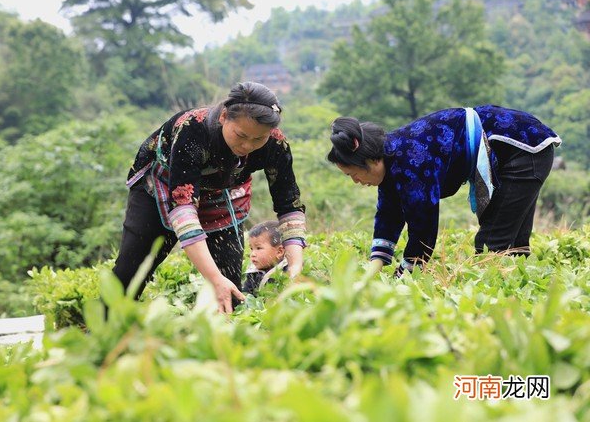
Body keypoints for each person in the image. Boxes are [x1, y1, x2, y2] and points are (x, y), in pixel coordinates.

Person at [113, 82, 307, 313]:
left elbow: (288, 203)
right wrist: (214, 279)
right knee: (132, 270)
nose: (248, 146)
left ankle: (223, 340)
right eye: (241, 135)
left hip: (222, 191)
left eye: (258, 140)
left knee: (230, 287)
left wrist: (295, 267)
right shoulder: (193, 130)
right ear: (224, 116)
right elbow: (183, 206)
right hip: (163, 186)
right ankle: (106, 330)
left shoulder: (275, 142)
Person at [327, 105, 561, 275]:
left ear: (371, 160)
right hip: (526, 150)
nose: (355, 181)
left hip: (523, 149)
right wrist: (375, 266)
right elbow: (389, 213)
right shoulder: (392, 158)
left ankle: (494, 309)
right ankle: (518, 298)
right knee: (514, 245)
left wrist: (407, 271)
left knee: (493, 244)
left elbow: (423, 222)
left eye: (352, 174)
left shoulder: (410, 159)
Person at [242, 220, 288, 295]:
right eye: (251, 249)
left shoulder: (287, 272)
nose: (252, 254)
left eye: (258, 248)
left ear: (279, 252)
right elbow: (246, 295)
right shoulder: (253, 273)